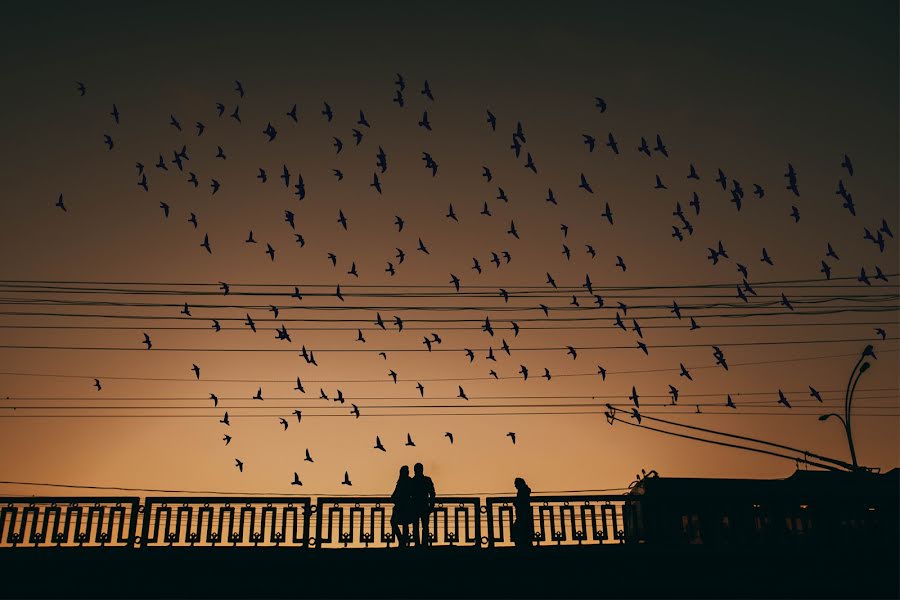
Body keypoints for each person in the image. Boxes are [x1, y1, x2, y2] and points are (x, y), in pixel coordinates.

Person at [409, 462, 436, 547]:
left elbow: (409, 494)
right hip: (424, 506)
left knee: (416, 526)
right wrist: (431, 505)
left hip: (415, 507)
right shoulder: (427, 480)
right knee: (425, 526)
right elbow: (432, 493)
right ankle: (424, 543)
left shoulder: (412, 481)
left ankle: (417, 543)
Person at [389, 466, 413, 548]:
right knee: (405, 524)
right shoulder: (409, 481)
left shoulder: (401, 482)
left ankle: (402, 540)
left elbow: (394, 495)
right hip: (407, 507)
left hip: (401, 507)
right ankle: (403, 541)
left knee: (394, 522)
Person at [511, 477, 534, 549]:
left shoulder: (522, 492)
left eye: (516, 484)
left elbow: (520, 502)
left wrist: (515, 502)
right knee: (524, 532)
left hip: (522, 516)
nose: (515, 486)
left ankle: (520, 545)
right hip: (524, 516)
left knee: (518, 530)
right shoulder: (524, 491)